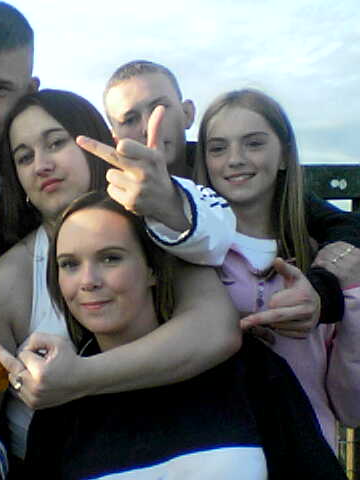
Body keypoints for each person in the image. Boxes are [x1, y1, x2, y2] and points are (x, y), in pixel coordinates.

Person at [0, 89, 242, 480]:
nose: (41, 165)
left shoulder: (158, 231)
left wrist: (78, 379)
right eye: (24, 157)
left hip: (194, 451)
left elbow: (216, 330)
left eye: (56, 143)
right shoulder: (6, 281)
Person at [21, 191, 346, 479]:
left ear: (152, 269)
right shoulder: (60, 401)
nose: (88, 281)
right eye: (69, 264)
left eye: (110, 258)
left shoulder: (248, 370)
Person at [101, 59, 360, 331]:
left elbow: (339, 222)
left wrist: (322, 289)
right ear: (114, 136)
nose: (147, 126)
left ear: (187, 113)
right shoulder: (110, 199)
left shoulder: (232, 177)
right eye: (129, 119)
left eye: (159, 109)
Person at [193, 88, 360, 450]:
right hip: (218, 455)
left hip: (308, 455)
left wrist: (350, 295)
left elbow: (353, 408)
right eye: (218, 148)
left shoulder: (327, 257)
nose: (234, 159)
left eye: (254, 143)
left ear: (284, 154)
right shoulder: (192, 256)